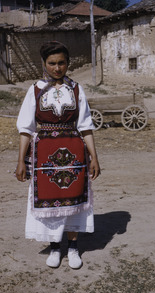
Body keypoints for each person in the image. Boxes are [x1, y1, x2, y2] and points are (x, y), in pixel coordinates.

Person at [16, 41, 100, 269]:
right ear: (44, 64)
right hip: (43, 155)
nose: (57, 68)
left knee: (74, 199)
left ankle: (73, 247)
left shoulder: (76, 89)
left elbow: (85, 126)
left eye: (61, 63)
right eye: (52, 63)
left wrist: (94, 157)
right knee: (50, 200)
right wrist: (20, 161)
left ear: (68, 63)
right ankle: (55, 247)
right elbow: (25, 128)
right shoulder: (34, 90)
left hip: (75, 153)